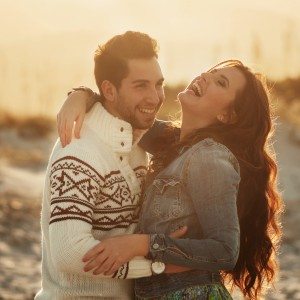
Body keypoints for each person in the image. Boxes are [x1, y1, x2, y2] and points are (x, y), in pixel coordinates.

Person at [57, 59, 282, 299]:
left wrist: (142, 244)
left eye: (220, 82)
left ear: (227, 115)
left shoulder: (209, 157)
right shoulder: (173, 143)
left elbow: (225, 251)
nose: (205, 77)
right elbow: (123, 110)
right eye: (210, 71)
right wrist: (79, 96)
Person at [35, 31, 188, 300]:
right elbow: (70, 252)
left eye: (158, 84)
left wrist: (81, 94)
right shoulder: (78, 152)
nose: (155, 97)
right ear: (109, 90)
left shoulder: (137, 137)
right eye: (141, 86)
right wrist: (154, 265)